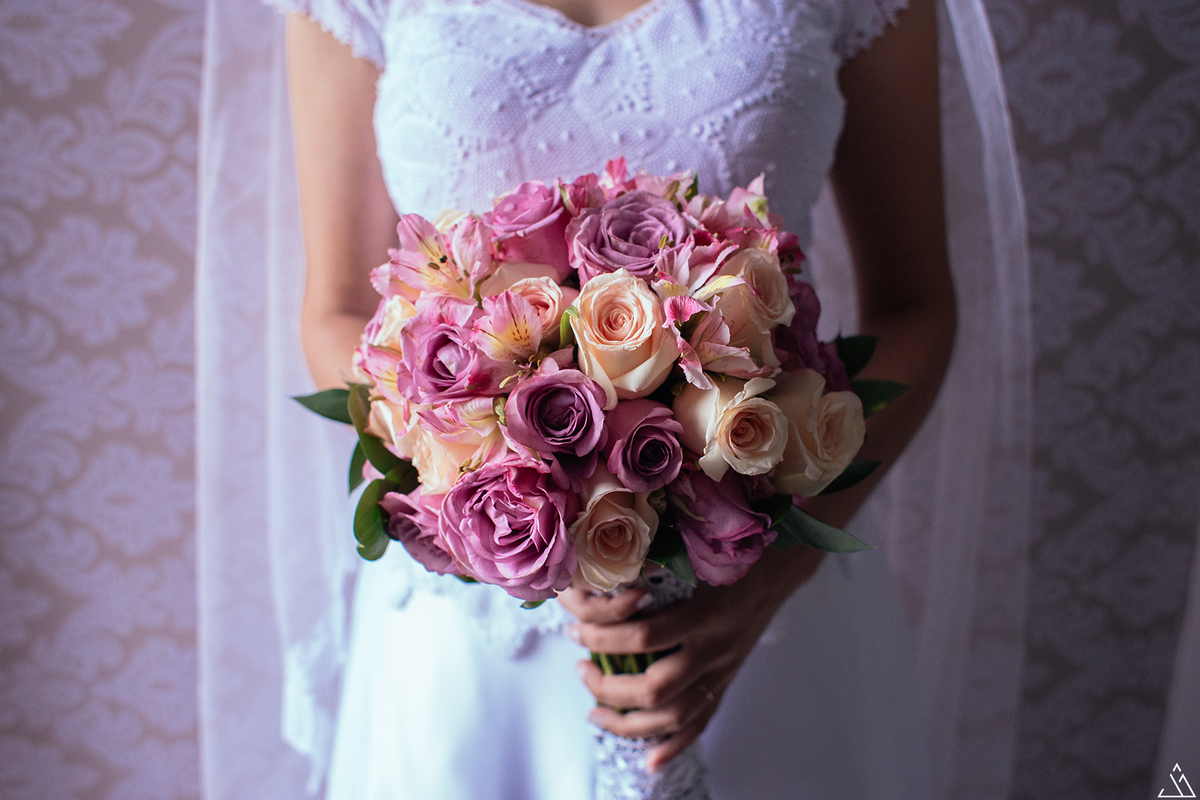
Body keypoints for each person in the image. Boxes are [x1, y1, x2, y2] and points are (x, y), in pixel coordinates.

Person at [195, 0, 1030, 797]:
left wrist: (768, 580)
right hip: (474, 621)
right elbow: (340, 307)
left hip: (760, 585)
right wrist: (515, 505)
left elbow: (915, 304)